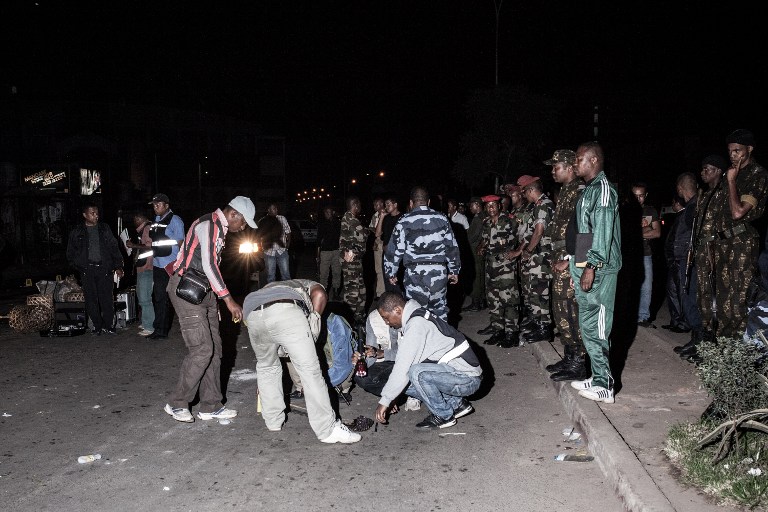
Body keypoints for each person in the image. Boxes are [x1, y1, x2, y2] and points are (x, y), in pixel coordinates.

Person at [163, 196, 256, 423]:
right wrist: (228, 300)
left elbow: (209, 269)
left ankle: (210, 405)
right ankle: (177, 403)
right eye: (243, 222)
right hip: (186, 289)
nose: (243, 227)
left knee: (215, 349)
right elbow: (209, 264)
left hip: (204, 291)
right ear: (233, 214)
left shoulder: (220, 229)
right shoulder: (209, 224)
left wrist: (213, 301)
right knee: (202, 349)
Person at [243, 278, 361, 443]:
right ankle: (327, 430)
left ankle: (273, 421)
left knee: (267, 367)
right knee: (310, 371)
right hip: (286, 309)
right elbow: (319, 294)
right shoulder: (310, 285)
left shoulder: (270, 286)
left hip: (253, 311)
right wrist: (313, 324)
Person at [373, 292, 482, 429]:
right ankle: (457, 404)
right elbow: (404, 356)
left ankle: (444, 416)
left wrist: (385, 400)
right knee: (405, 380)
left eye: (386, 318)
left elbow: (403, 367)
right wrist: (392, 394)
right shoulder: (416, 315)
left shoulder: (416, 325)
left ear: (397, 310)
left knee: (415, 373)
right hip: (458, 374)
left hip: (468, 379)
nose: (387, 323)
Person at [569, 141, 621, 403]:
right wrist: (576, 267)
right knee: (587, 326)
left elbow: (601, 231)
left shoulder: (602, 189)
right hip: (586, 267)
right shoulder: (588, 190)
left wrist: (590, 266)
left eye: (578, 159)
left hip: (599, 269)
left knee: (598, 325)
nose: (574, 164)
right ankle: (597, 375)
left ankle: (606, 385)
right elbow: (584, 233)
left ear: (593, 161)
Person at [713, 129, 768, 339]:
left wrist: (731, 181)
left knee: (738, 301)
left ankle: (740, 355)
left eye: (738, 151)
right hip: (725, 242)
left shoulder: (757, 174)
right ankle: (726, 351)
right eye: (730, 151)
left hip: (743, 243)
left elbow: (737, 212)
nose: (733, 155)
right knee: (724, 301)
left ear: (750, 149)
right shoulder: (732, 173)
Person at [541, 150, 588, 381]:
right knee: (561, 310)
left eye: (555, 166)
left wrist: (572, 264)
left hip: (570, 260)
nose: (552, 171)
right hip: (560, 256)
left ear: (569, 167)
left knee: (572, 311)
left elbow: (585, 231)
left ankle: (579, 362)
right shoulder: (567, 192)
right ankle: (570, 357)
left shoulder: (579, 191)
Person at [676, 155, 728, 361]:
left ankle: (707, 345)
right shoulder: (703, 197)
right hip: (697, 256)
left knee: (707, 301)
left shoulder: (719, 195)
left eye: (707, 169)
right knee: (696, 298)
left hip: (711, 256)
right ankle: (698, 340)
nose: (703, 173)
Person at [384, 186, 461, 321]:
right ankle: (441, 340)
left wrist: (391, 272)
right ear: (429, 202)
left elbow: (395, 250)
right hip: (439, 273)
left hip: (415, 275)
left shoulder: (404, 221)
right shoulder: (442, 219)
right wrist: (454, 270)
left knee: (417, 314)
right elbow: (452, 247)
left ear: (411, 203)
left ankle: (422, 340)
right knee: (439, 312)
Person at [66, 204, 125, 335]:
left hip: (104, 269)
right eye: (92, 213)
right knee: (91, 300)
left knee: (107, 299)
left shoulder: (104, 229)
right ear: (85, 215)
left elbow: (113, 247)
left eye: (97, 213)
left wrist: (118, 266)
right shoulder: (77, 231)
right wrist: (79, 266)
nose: (96, 216)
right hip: (87, 270)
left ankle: (109, 325)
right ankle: (97, 326)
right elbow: (71, 252)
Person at [511, 175, 555, 343]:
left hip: (543, 255)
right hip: (539, 255)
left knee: (540, 291)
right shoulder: (538, 205)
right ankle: (538, 324)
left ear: (530, 190)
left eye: (524, 192)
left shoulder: (543, 205)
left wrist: (528, 251)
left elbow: (539, 231)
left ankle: (544, 327)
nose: (524, 196)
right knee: (535, 290)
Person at [476, 194, 520, 347]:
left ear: (499, 206)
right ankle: (498, 331)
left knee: (509, 300)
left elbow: (524, 237)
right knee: (494, 300)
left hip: (505, 267)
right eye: (488, 206)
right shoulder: (486, 223)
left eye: (493, 205)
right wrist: (481, 246)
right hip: (490, 267)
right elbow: (486, 239)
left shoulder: (510, 220)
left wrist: (518, 252)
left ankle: (512, 334)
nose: (491, 208)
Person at [148, 193, 185, 340]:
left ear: (166, 205)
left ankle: (186, 327)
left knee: (178, 298)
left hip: (171, 265)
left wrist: (183, 264)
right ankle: (160, 330)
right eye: (154, 205)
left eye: (158, 205)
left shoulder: (175, 220)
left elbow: (182, 243)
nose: (155, 207)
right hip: (157, 264)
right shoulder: (156, 220)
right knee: (159, 298)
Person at [351, 309, 400, 397]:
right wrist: (361, 360)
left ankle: (408, 394)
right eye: (383, 318)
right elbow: (371, 354)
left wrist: (383, 353)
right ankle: (391, 396)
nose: (386, 322)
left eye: (387, 318)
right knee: (362, 378)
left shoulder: (411, 318)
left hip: (408, 362)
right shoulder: (374, 318)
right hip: (387, 362)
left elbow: (410, 354)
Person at [632, 182, 661, 327]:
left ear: (646, 195)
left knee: (647, 286)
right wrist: (645, 230)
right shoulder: (625, 210)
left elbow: (657, 233)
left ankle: (643, 317)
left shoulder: (651, 211)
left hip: (646, 254)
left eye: (641, 196)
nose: (638, 199)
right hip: (629, 254)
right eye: (635, 196)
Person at [662, 196, 689, 333]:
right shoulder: (678, 216)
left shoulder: (686, 215)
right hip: (673, 261)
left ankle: (684, 323)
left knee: (680, 292)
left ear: (677, 203)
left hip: (680, 260)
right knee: (672, 291)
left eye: (672, 202)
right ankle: (675, 321)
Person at [126, 212, 155, 337]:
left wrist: (133, 245)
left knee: (145, 298)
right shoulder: (143, 229)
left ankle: (149, 326)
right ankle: (146, 321)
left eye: (134, 219)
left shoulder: (147, 228)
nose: (134, 222)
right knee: (142, 296)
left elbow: (150, 246)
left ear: (139, 218)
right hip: (143, 268)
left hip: (147, 268)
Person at [340, 196, 367, 326]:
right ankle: (348, 320)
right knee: (352, 291)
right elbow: (363, 236)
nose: (360, 207)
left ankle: (359, 315)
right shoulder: (351, 219)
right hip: (351, 263)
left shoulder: (351, 219)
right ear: (355, 205)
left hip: (356, 261)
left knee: (361, 290)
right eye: (359, 205)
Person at [463, 197, 487, 312]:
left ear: (476, 205)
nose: (469, 208)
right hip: (478, 249)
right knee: (480, 275)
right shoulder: (482, 216)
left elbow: (473, 236)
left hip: (475, 249)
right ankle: (481, 301)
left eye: (471, 205)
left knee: (476, 276)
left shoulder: (478, 218)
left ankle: (476, 302)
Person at [260, 202, 291, 283]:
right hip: (269, 252)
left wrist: (288, 243)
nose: (276, 210)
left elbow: (288, 231)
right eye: (274, 209)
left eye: (276, 208)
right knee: (270, 276)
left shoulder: (282, 218)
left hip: (282, 250)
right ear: (268, 210)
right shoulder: (263, 221)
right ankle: (272, 294)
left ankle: (287, 293)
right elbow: (260, 236)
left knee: (286, 275)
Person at [379, 195, 404, 294]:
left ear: (395, 205)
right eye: (385, 204)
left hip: (397, 256)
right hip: (386, 256)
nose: (386, 206)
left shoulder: (403, 218)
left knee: (397, 283)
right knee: (387, 282)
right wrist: (381, 217)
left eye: (388, 204)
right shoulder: (386, 218)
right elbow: (378, 234)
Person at [316, 205, 342, 300]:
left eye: (329, 212)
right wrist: (318, 255)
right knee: (324, 274)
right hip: (325, 252)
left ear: (332, 212)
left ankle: (335, 293)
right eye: (325, 212)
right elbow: (318, 240)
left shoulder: (338, 223)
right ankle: (324, 294)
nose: (327, 214)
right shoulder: (322, 224)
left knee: (337, 273)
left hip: (336, 251)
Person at [369, 197, 387, 299]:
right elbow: (371, 227)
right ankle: (380, 292)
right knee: (378, 269)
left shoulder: (388, 214)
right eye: (374, 205)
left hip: (386, 243)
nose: (375, 207)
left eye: (376, 204)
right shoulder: (374, 216)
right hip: (377, 242)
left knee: (387, 269)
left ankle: (389, 292)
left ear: (382, 204)